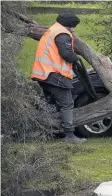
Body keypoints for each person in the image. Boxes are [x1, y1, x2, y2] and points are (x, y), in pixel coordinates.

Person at [31, 13, 86, 144]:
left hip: (43, 74)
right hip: (54, 74)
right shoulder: (62, 34)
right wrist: (75, 58)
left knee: (50, 103)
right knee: (67, 103)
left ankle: (47, 131)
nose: (74, 29)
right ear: (69, 25)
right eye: (73, 26)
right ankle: (70, 135)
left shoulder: (52, 30)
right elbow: (66, 54)